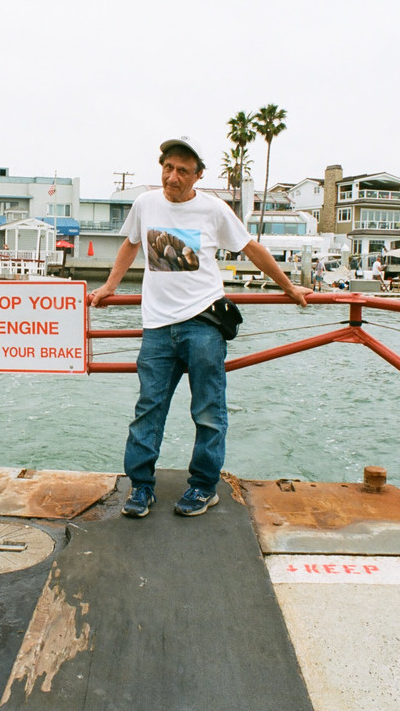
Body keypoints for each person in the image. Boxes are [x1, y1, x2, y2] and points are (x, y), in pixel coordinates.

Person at [87, 136, 312, 518]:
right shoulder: (145, 204)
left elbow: (250, 248)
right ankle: (141, 487)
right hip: (157, 327)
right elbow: (130, 244)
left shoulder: (213, 209)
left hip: (203, 323)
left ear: (198, 175)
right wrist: (110, 286)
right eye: (168, 168)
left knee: (208, 410)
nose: (172, 177)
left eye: (182, 171)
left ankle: (204, 487)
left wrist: (288, 287)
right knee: (148, 409)